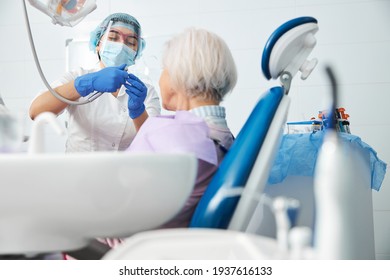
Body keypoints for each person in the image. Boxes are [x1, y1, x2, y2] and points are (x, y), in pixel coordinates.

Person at [128, 27, 237, 228]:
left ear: (179, 76)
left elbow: (125, 207)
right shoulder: (223, 136)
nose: (161, 77)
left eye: (164, 69)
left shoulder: (186, 138)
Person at [29, 13, 161, 152]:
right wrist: (85, 84)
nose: (121, 45)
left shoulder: (144, 91)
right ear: (98, 44)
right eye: (112, 38)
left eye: (131, 42)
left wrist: (139, 112)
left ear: (136, 53)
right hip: (79, 171)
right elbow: (35, 112)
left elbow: (153, 144)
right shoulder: (77, 76)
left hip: (124, 172)